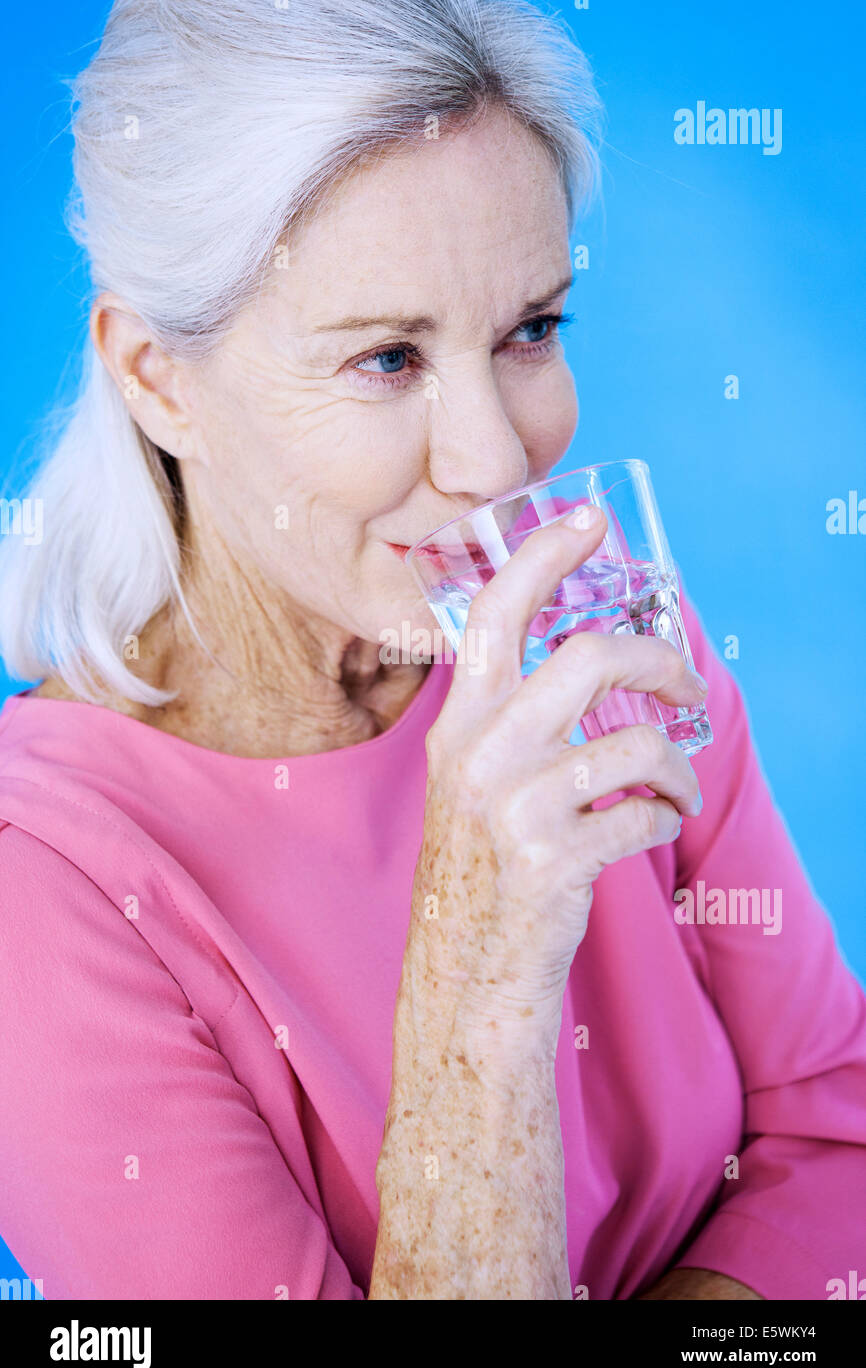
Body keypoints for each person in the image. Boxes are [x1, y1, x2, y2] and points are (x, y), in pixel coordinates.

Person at [0, 0, 863, 1301]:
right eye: (387, 358)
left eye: (529, 328)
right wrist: (486, 972)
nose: (495, 460)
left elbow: (833, 1127)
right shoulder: (44, 890)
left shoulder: (602, 635)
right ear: (160, 378)